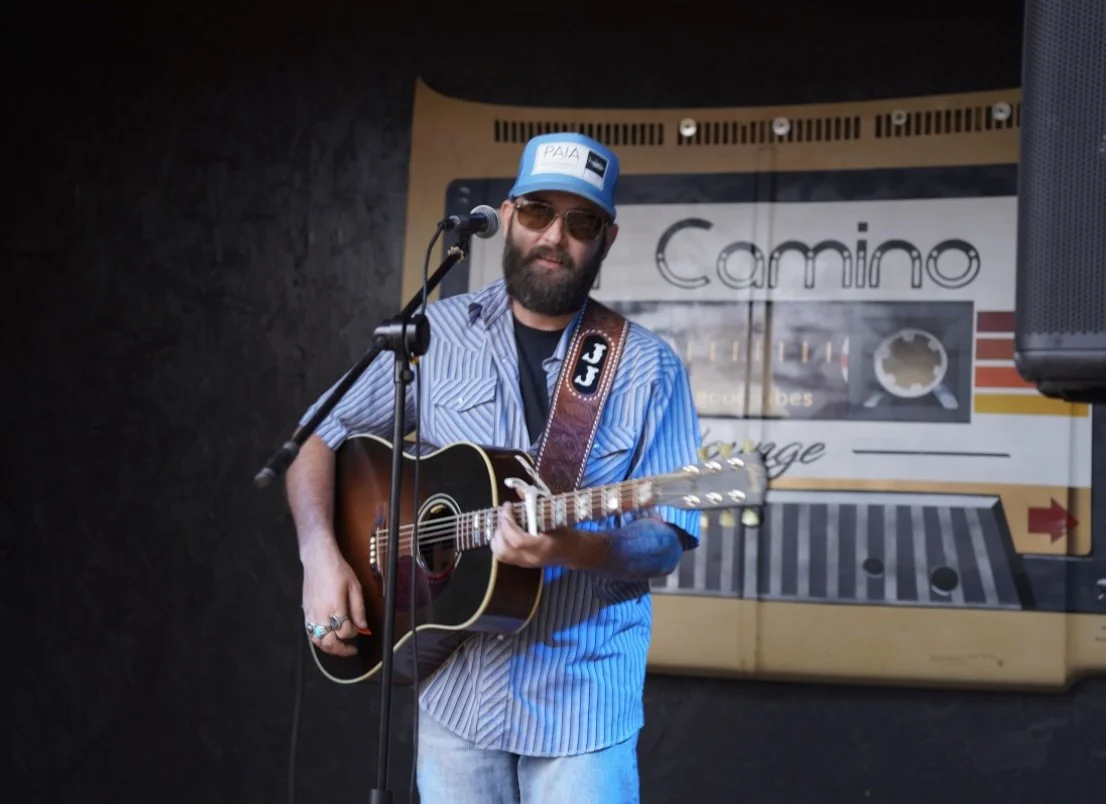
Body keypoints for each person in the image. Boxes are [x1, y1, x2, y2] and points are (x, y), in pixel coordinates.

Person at [284, 132, 703, 803]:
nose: (555, 237)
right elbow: (315, 436)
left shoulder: (648, 367)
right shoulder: (435, 334)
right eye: (538, 211)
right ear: (506, 215)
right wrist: (319, 557)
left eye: (581, 222)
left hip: (582, 702)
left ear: (607, 238)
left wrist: (576, 547)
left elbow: (666, 538)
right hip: (455, 688)